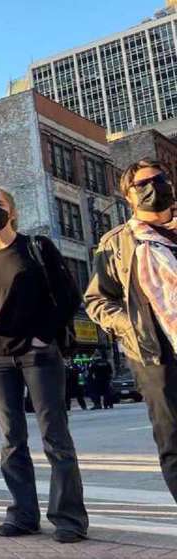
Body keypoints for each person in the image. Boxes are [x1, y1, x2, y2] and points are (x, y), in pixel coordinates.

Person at [0, 187, 88, 543]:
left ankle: (69, 518)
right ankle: (23, 515)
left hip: (38, 354)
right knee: (11, 438)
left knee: (55, 436)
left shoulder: (36, 248)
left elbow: (69, 296)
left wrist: (43, 336)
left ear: (13, 212)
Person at [85, 159, 177, 503]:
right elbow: (96, 300)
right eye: (142, 184)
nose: (153, 187)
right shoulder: (116, 243)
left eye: (159, 179)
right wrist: (132, 325)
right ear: (128, 197)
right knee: (172, 441)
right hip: (155, 355)